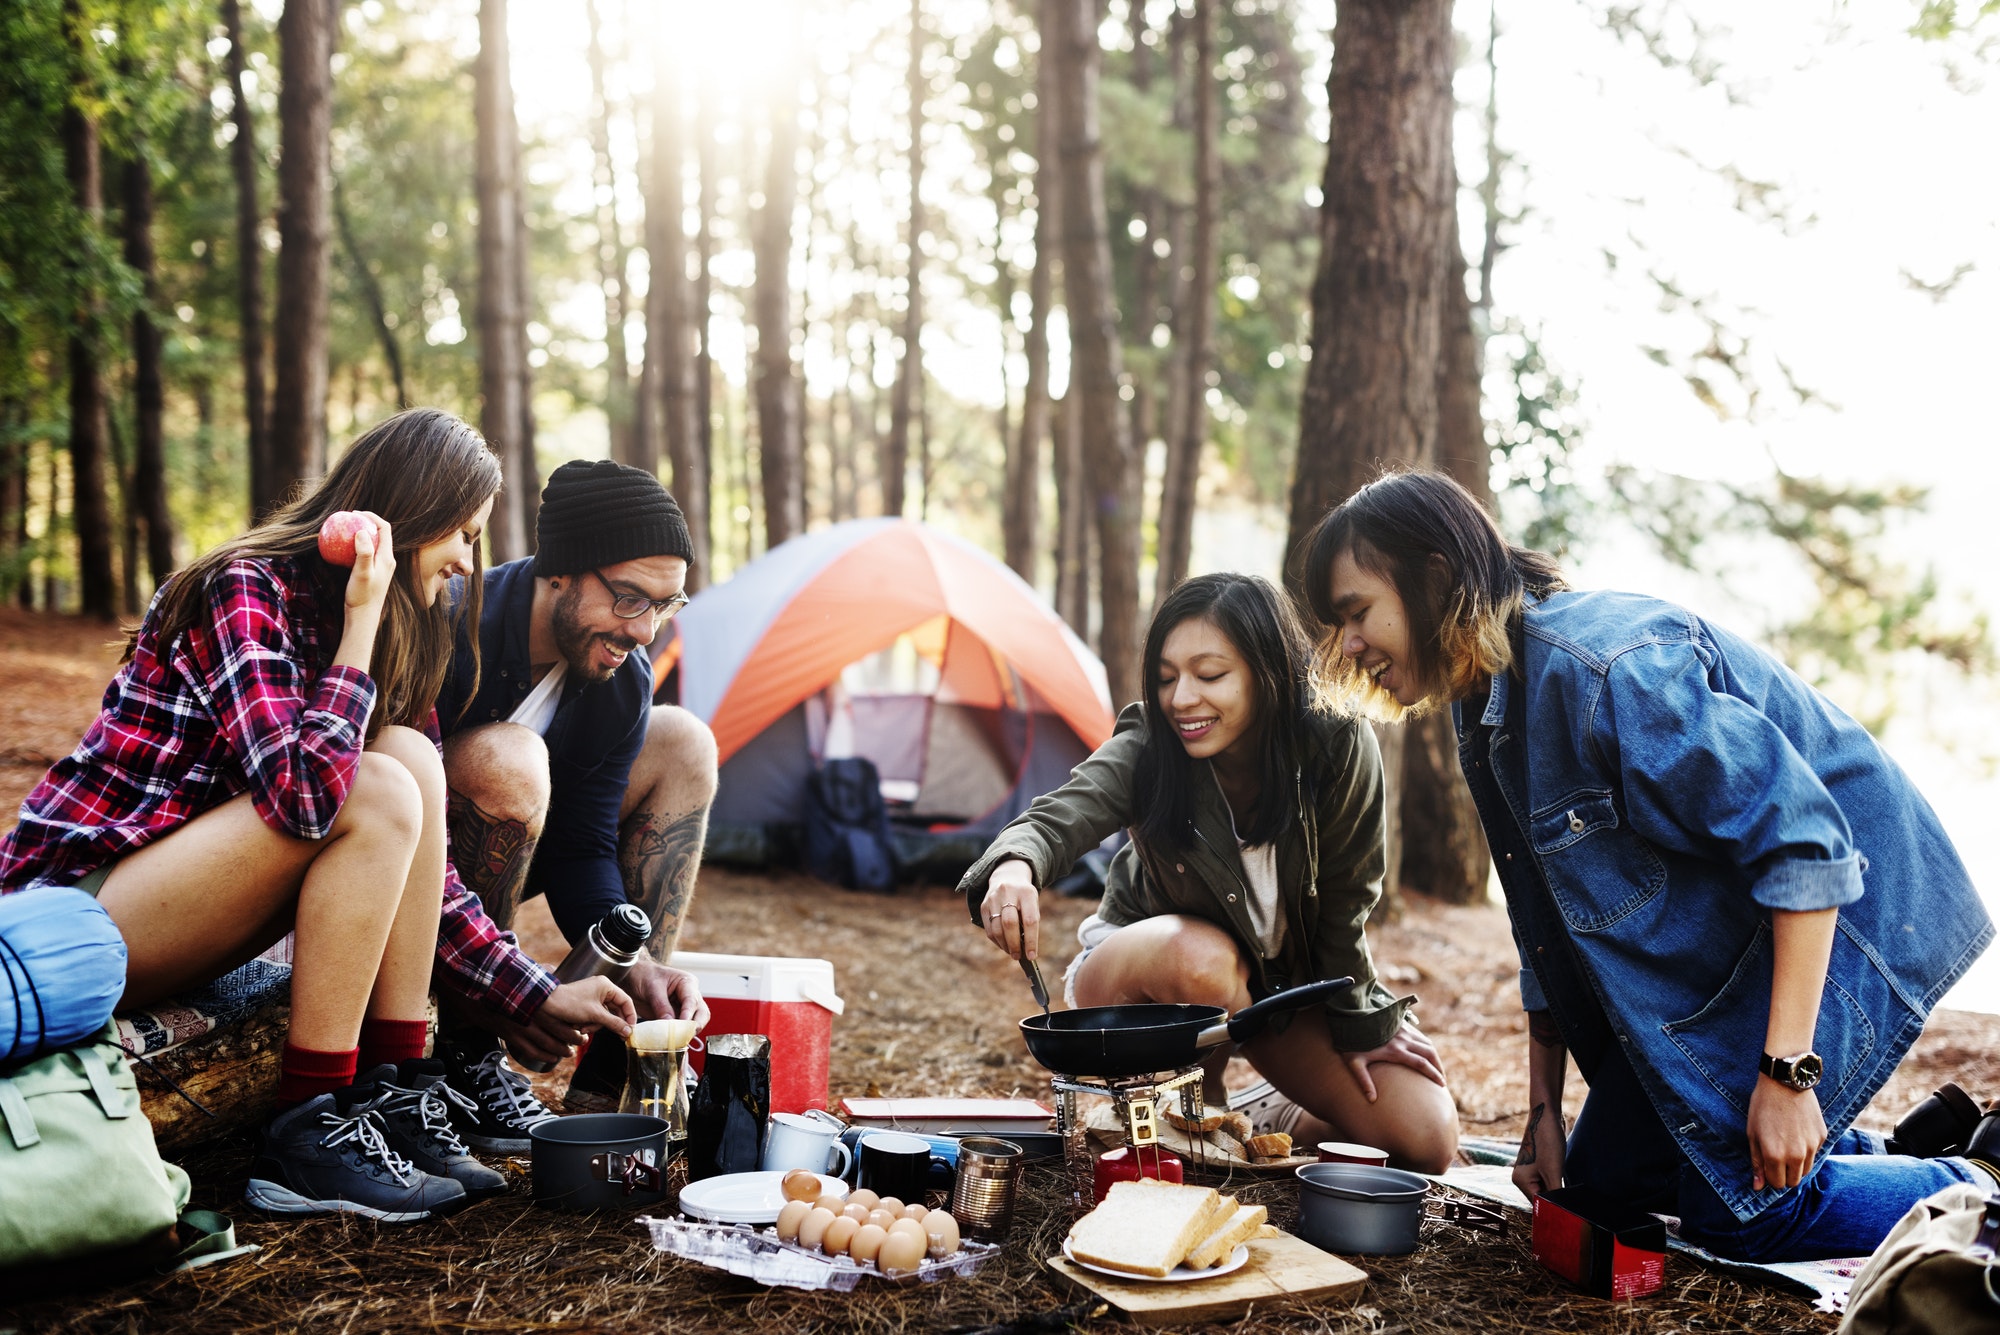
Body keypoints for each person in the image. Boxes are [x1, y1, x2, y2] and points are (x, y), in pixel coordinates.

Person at [1303, 468, 1995, 1262]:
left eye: (1357, 613)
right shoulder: (1481, 704)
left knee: (1740, 1216)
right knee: (1599, 1193)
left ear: (1434, 575)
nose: (1349, 644)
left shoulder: (1612, 669)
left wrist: (1789, 1077)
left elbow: (1808, 846)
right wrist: (1542, 1113)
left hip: (1848, 911)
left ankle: (1983, 1179)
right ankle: (1901, 1145)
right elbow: (1542, 928)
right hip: (1737, 946)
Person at [0, 409, 635, 1222]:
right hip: (78, 913)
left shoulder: (399, 625)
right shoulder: (246, 587)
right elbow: (305, 802)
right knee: (374, 784)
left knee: (407, 759)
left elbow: (423, 861)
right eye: (464, 534)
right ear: (418, 514)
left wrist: (528, 992)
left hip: (184, 905)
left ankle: (393, 1092)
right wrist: (360, 623)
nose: (467, 561)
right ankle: (308, 1131)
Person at [960, 573, 1460, 1172]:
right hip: (1141, 981)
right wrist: (1015, 865)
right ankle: (1198, 1102)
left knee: (1425, 1140)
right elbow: (1061, 814)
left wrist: (1362, 1021)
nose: (1182, 699)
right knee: (1201, 962)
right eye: (1167, 677)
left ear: (1268, 673)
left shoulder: (1337, 743)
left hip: (1268, 997)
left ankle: (1271, 1111)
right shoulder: (1151, 742)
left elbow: (1346, 907)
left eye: (1210, 675)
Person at [432, 458, 718, 1146]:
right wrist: (509, 989)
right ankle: (461, 1057)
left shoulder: (620, 679)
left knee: (684, 739)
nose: (645, 630)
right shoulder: (451, 626)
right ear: (558, 571)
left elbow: (585, 846)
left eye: (665, 605)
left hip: (511, 856)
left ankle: (621, 1066)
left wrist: (636, 962)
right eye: (629, 598)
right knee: (511, 760)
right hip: (403, 877)